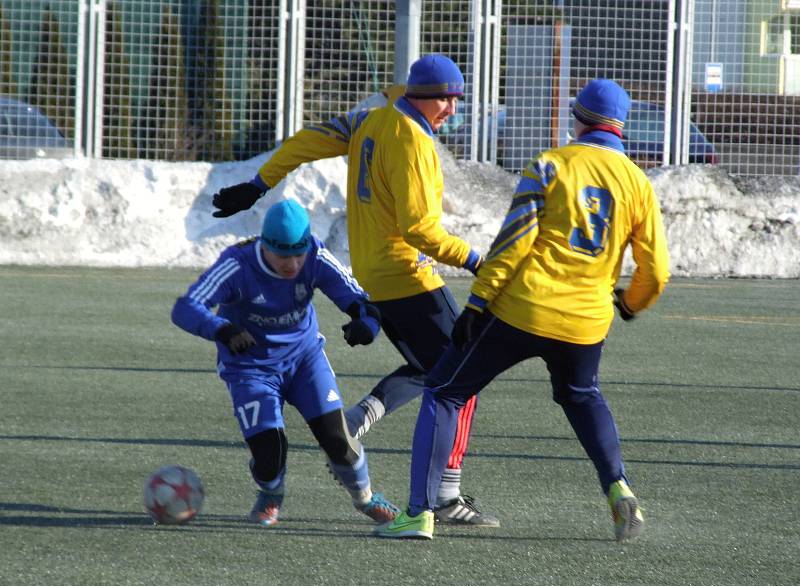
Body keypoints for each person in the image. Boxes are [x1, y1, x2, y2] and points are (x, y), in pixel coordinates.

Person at [374, 79, 671, 541]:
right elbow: (657, 269)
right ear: (620, 127)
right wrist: (632, 304)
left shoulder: (551, 165)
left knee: (444, 391)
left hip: (522, 309)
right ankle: (619, 489)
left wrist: (477, 302)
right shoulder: (638, 183)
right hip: (586, 322)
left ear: (578, 118)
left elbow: (513, 245)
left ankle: (419, 514)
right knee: (581, 395)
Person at [210, 54, 498, 526]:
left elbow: (306, 140)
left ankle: (359, 418)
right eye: (447, 99)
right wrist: (477, 260)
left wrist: (261, 183)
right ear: (422, 97)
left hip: (373, 273)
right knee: (461, 380)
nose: (452, 109)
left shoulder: (371, 119)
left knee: (436, 367)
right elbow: (421, 230)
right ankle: (445, 496)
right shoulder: (414, 145)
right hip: (409, 274)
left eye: (456, 99)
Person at [171, 198, 400, 527]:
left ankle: (365, 499)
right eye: (282, 255)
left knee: (337, 438)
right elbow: (186, 307)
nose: (292, 264)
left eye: (298, 253)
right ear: (265, 246)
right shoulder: (237, 264)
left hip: (304, 360)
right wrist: (223, 329)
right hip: (251, 369)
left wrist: (366, 324)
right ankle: (270, 492)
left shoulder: (316, 256)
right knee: (270, 453)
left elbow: (361, 301)